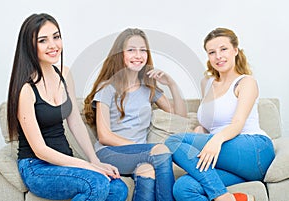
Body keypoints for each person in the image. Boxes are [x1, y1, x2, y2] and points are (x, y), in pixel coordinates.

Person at [7, 13, 128, 201]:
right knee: (96, 184)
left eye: (56, 37)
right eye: (43, 40)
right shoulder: (25, 89)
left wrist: (94, 160)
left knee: (118, 187)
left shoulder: (64, 74)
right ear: (30, 47)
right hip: (37, 167)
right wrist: (87, 166)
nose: (53, 45)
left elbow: (76, 123)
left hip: (64, 160)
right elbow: (40, 150)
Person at [165, 28, 275, 201]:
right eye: (212, 52)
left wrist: (215, 140)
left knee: (173, 142)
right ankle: (237, 198)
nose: (218, 56)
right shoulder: (206, 83)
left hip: (254, 150)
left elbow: (237, 123)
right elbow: (213, 120)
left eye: (223, 49)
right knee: (183, 188)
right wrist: (202, 130)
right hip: (231, 162)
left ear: (235, 50)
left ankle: (223, 196)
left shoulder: (246, 82)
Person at [84, 28, 187, 201]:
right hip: (110, 152)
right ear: (120, 54)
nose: (138, 55)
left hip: (139, 156)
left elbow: (179, 117)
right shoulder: (107, 88)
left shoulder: (149, 89)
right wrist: (143, 149)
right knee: (161, 151)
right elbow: (104, 136)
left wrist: (172, 85)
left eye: (142, 50)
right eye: (131, 50)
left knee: (147, 172)